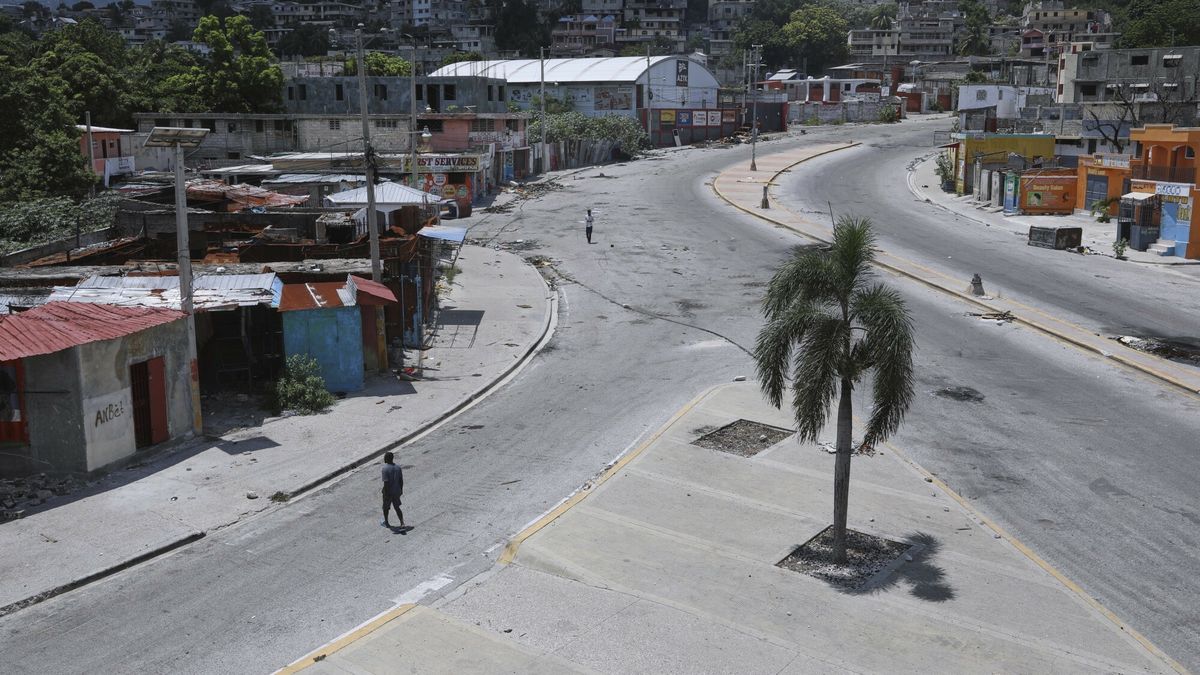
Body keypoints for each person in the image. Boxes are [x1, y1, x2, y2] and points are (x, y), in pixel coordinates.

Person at [381, 451, 405, 528]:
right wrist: (401, 490)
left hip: (389, 492)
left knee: (385, 508)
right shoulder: (398, 467)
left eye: (385, 457)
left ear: (387, 458)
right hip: (397, 491)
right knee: (397, 507)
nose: (384, 458)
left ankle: (386, 522)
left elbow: (386, 483)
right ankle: (402, 523)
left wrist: (385, 493)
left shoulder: (385, 469)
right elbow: (401, 480)